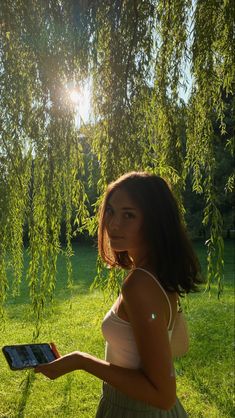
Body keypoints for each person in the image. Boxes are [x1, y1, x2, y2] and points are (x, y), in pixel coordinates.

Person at [35, 171, 202, 417]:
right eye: (111, 211)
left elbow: (163, 396)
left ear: (155, 221)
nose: (113, 224)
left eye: (129, 215)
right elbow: (179, 345)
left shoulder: (139, 285)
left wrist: (81, 361)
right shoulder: (161, 275)